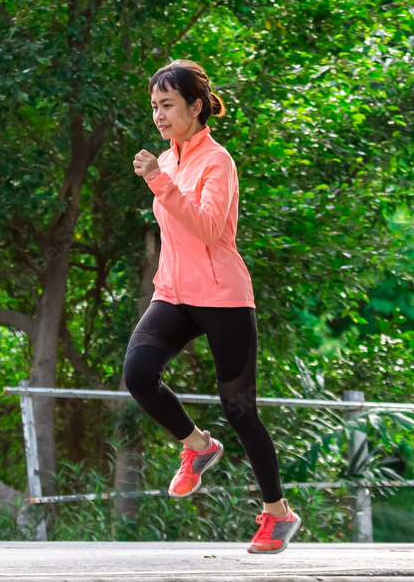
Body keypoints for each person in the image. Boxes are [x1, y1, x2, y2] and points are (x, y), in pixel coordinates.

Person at [126, 59, 301, 554]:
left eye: (168, 105)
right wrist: (162, 176)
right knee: (138, 374)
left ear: (195, 106)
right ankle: (198, 447)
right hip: (174, 294)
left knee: (240, 409)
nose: (159, 115)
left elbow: (205, 227)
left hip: (222, 297)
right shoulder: (170, 159)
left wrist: (159, 181)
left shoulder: (216, 161)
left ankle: (277, 516)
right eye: (155, 106)